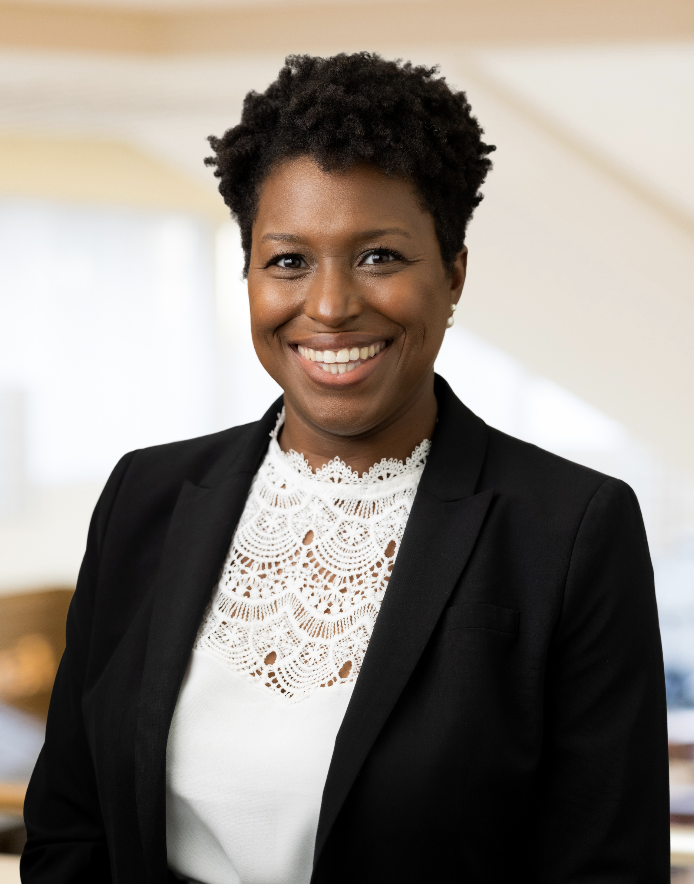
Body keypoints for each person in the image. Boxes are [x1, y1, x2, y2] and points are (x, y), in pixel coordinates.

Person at [21, 53, 669, 884]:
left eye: (379, 257)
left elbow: (607, 869)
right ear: (249, 272)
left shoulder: (571, 528)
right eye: (288, 260)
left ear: (455, 273)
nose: (329, 308)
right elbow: (73, 829)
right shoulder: (144, 498)